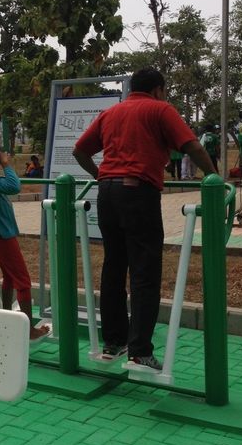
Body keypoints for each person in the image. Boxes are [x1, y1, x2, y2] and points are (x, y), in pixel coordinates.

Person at [73, 67, 215, 370]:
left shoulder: (113, 112)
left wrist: (101, 176)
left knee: (114, 265)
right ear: (158, 89)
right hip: (138, 192)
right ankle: (140, 351)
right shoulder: (160, 109)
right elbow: (193, 146)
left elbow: (79, 151)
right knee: (144, 271)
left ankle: (114, 342)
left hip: (107, 194)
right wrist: (214, 177)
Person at [0, 128, 50, 343]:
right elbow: (14, 186)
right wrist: (6, 164)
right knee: (23, 281)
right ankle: (29, 331)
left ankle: (6, 315)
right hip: (1, 234)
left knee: (9, 276)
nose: (0, 153)